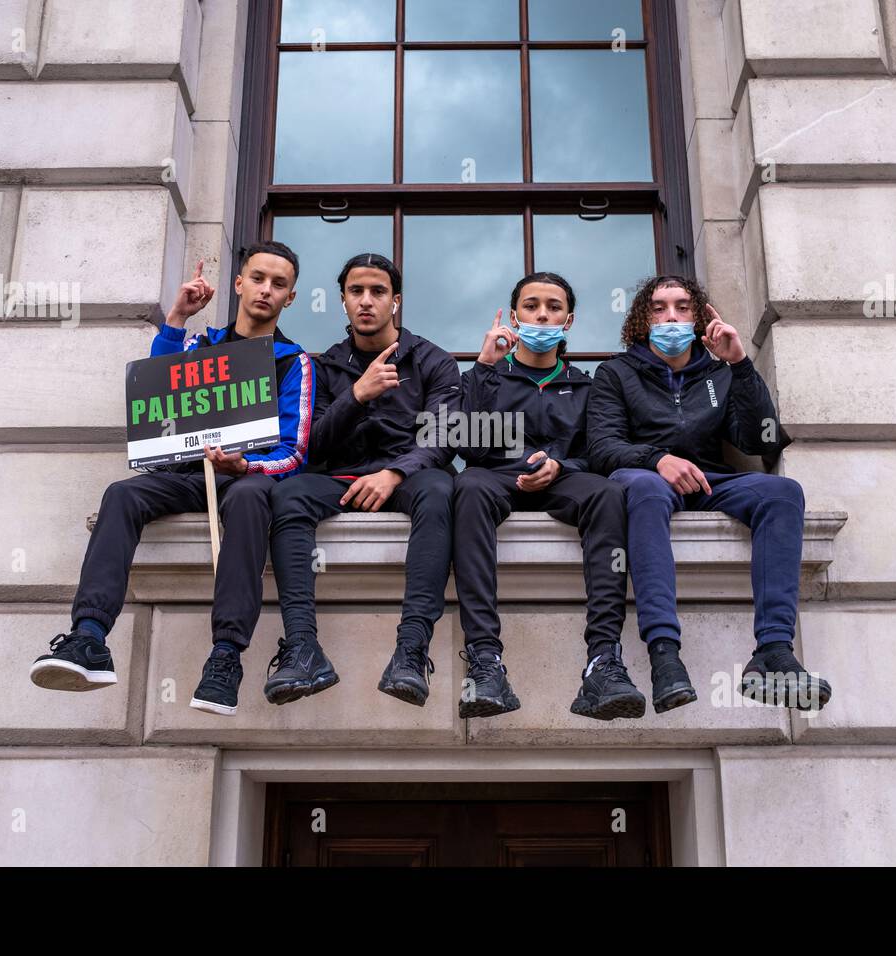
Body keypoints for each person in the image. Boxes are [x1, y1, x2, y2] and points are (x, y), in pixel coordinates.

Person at [29, 241, 315, 717]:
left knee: (248, 500)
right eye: (259, 278)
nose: (266, 290)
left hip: (248, 477)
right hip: (187, 474)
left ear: (290, 298)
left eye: (279, 284)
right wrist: (178, 317)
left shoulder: (293, 361)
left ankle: (226, 656)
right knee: (121, 494)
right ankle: (89, 638)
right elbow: (156, 393)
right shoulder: (197, 344)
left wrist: (245, 466)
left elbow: (295, 452)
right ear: (239, 284)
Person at [586, 274, 831, 712]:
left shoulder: (717, 372)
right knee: (644, 488)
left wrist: (739, 364)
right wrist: (657, 459)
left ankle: (773, 653)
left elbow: (762, 441)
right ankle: (665, 656)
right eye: (659, 308)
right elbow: (602, 448)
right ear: (642, 320)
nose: (671, 317)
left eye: (682, 307)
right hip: (645, 479)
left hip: (709, 480)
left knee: (783, 492)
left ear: (698, 317)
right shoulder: (615, 372)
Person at [265, 253, 460, 708]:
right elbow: (310, 446)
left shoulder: (434, 361)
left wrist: (395, 473)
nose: (366, 302)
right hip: (339, 478)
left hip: (408, 477)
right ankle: (302, 646)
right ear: (343, 301)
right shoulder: (325, 365)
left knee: (440, 490)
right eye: (356, 292)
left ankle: (411, 650)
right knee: (289, 493)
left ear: (397, 302)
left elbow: (445, 438)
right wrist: (355, 395)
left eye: (377, 292)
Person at [454, 272, 644, 720]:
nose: (542, 314)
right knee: (467, 486)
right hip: (497, 478)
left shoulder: (587, 383)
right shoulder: (487, 375)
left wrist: (562, 464)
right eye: (531, 305)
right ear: (514, 316)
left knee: (608, 492)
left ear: (569, 319)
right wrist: (483, 367)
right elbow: (467, 446)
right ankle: (485, 660)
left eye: (553, 307)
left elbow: (599, 451)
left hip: (564, 480)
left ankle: (603, 660)